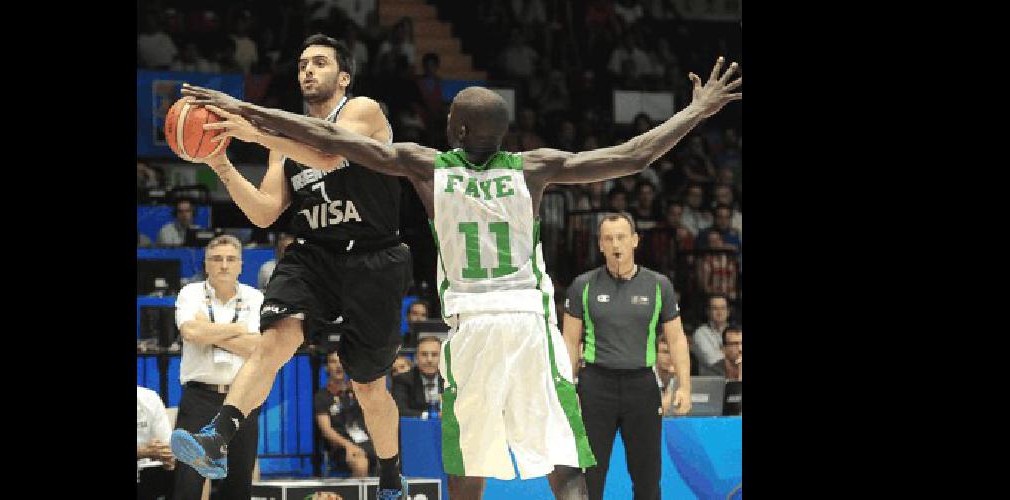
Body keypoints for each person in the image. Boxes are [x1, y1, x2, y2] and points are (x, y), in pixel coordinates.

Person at [193, 55, 740, 500]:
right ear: (502, 135)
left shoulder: (427, 165)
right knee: (561, 459)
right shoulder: (534, 167)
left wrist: (245, 111)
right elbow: (632, 155)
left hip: (472, 328)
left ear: (455, 127)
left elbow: (329, 140)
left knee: (466, 462)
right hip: (529, 324)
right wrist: (696, 112)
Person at [170, 34, 414, 499]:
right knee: (275, 339)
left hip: (373, 257)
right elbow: (265, 212)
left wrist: (256, 131)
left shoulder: (363, 111)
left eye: (320, 63)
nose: (308, 70)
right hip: (315, 254)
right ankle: (216, 439)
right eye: (302, 64)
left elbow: (326, 153)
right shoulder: (282, 140)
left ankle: (389, 478)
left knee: (368, 388)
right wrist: (221, 163)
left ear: (343, 77)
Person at [563, 212, 693, 500]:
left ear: (635, 240)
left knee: (647, 480)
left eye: (621, 237)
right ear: (600, 245)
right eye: (608, 238)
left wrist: (684, 386)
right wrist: (567, 386)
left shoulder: (659, 285)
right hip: (596, 386)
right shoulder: (582, 285)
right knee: (589, 479)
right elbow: (569, 342)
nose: (615, 244)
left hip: (642, 386)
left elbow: (676, 339)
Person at [171, 235, 265, 500]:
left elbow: (258, 347)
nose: (223, 265)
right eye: (216, 259)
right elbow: (190, 332)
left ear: (240, 265)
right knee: (188, 483)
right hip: (199, 397)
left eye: (230, 259)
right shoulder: (190, 293)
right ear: (206, 264)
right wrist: (237, 330)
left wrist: (210, 332)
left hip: (243, 399)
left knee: (238, 484)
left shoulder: (255, 297)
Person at [315, 351, 380, 477]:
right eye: (333, 362)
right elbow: (326, 430)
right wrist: (348, 446)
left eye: (342, 361)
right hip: (341, 447)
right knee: (360, 462)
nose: (339, 365)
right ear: (326, 367)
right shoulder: (321, 397)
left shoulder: (358, 392)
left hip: (366, 441)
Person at [391, 335, 445, 417]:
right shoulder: (402, 380)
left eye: (434, 354)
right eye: (424, 354)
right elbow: (400, 411)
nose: (429, 360)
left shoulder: (451, 380)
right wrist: (432, 416)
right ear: (416, 357)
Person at [137, 385, 175, 500]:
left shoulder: (149, 398)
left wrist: (167, 457)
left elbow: (167, 448)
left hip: (148, 474)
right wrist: (144, 452)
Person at [690, 294, 731, 376]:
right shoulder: (700, 334)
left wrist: (723, 352)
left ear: (728, 311)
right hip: (711, 384)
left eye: (723, 308)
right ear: (708, 311)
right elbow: (713, 361)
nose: (720, 312)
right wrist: (732, 354)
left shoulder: (736, 332)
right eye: (715, 308)